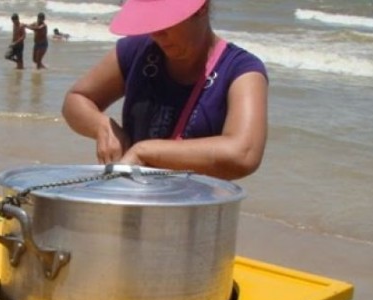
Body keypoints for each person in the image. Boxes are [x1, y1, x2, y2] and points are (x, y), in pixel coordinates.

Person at [61, 0, 268, 181]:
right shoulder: (137, 51)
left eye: (166, 20)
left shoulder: (241, 70)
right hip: (135, 203)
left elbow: (244, 153)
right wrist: (102, 126)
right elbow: (76, 99)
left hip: (194, 213)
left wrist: (145, 151)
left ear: (201, 7)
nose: (156, 33)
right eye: (151, 20)